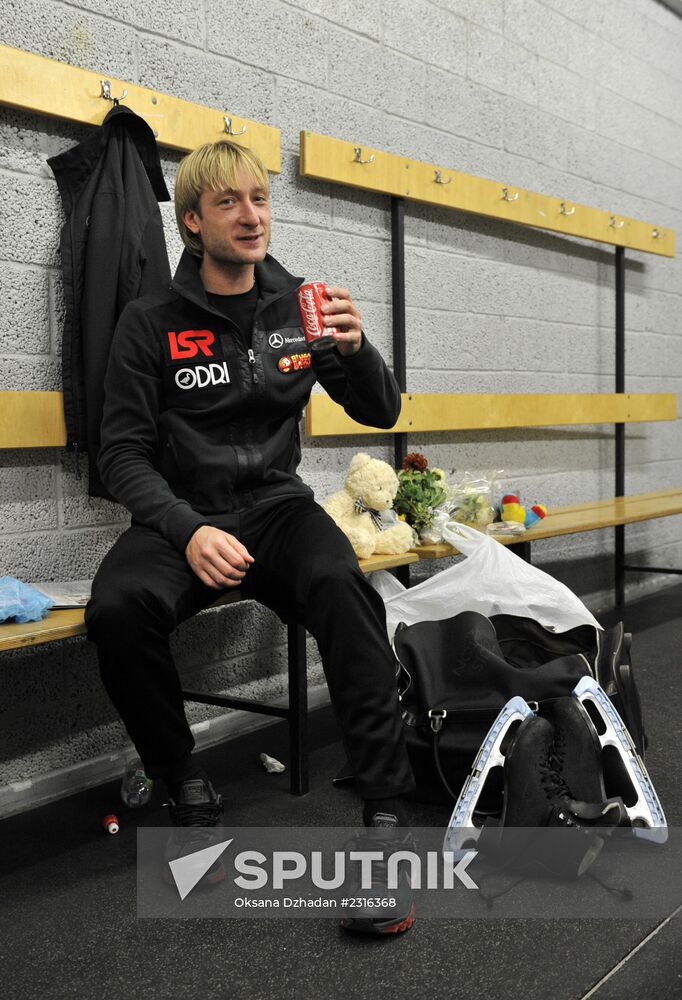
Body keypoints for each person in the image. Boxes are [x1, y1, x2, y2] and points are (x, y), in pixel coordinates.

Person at [85, 139, 416, 933]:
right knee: (117, 610)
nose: (250, 215)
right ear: (192, 223)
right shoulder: (150, 321)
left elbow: (380, 409)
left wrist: (356, 349)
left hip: (276, 508)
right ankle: (185, 786)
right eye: (228, 201)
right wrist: (186, 527)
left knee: (343, 588)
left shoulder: (299, 305)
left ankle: (384, 819)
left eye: (260, 199)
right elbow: (121, 454)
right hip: (184, 514)